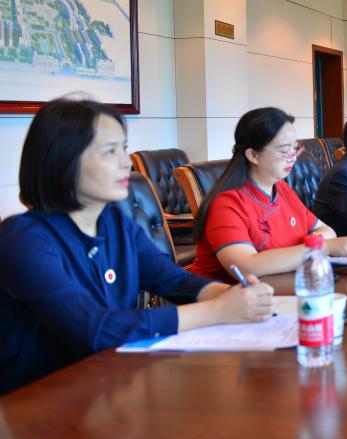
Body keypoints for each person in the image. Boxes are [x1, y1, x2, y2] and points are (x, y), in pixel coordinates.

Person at [0, 98, 274, 394]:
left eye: (124, 148)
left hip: (103, 387)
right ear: (63, 160)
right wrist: (218, 311)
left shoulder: (114, 222)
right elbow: (96, 329)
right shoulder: (23, 238)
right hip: (35, 402)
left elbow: (173, 280)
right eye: (110, 151)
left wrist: (233, 295)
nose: (126, 162)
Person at [189, 107, 347, 283]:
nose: (293, 157)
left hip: (283, 287)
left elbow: (326, 230)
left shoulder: (281, 189)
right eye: (284, 151)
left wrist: (310, 246)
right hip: (226, 296)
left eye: (295, 148)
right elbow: (246, 268)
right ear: (253, 155)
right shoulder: (227, 204)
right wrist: (320, 248)